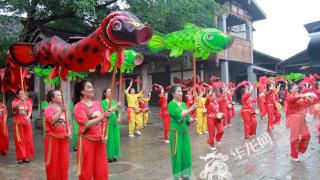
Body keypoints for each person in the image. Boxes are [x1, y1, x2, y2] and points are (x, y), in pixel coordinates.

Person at [73, 80, 114, 180]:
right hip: (86, 141)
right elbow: (86, 124)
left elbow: (104, 121)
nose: (92, 89)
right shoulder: (78, 107)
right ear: (82, 91)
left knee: (101, 169)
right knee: (85, 170)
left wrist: (105, 134)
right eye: (89, 87)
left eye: (92, 87)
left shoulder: (97, 104)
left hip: (100, 141)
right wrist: (103, 115)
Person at [168, 85, 196, 180]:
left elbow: (187, 118)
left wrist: (192, 120)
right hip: (175, 133)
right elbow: (180, 116)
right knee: (177, 155)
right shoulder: (171, 105)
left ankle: (185, 173)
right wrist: (191, 109)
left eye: (181, 91)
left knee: (186, 153)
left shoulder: (184, 104)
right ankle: (177, 176)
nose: (181, 93)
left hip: (185, 132)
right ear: (173, 93)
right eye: (178, 91)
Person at [44, 90, 71, 180]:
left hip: (63, 139)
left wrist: (69, 132)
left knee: (64, 162)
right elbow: (52, 120)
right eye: (58, 95)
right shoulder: (48, 109)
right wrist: (60, 112)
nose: (61, 97)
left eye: (61, 95)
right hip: (52, 139)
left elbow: (67, 123)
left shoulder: (62, 108)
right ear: (52, 98)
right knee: (52, 162)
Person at [287, 83, 311, 161]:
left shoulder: (300, 96)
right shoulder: (290, 97)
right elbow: (292, 100)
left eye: (297, 88)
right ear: (290, 90)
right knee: (295, 138)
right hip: (294, 119)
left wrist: (308, 99)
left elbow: (305, 104)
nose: (297, 89)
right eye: (295, 88)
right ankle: (294, 155)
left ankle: (300, 150)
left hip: (302, 119)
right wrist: (302, 96)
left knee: (307, 135)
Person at [12, 89, 34, 164]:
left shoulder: (28, 102)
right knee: (19, 140)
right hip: (18, 124)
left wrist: (28, 117)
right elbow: (14, 107)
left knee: (28, 140)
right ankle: (20, 157)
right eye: (21, 94)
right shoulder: (14, 102)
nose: (23, 95)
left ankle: (27, 156)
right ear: (17, 95)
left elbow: (30, 111)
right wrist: (20, 101)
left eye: (23, 94)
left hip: (27, 124)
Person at [101, 88, 121, 163]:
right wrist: (116, 106)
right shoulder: (103, 103)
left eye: (111, 91)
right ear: (105, 94)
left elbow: (118, 111)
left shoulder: (113, 102)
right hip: (107, 123)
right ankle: (108, 156)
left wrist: (118, 117)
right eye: (108, 92)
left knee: (115, 139)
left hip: (115, 123)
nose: (110, 93)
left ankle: (113, 155)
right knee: (109, 140)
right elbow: (108, 111)